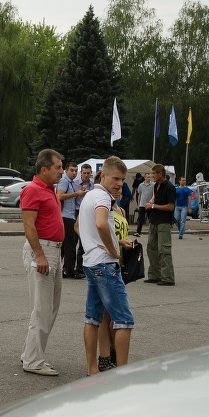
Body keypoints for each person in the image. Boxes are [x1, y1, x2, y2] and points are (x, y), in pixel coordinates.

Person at [78, 156, 135, 376]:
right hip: (105, 265)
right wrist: (112, 249)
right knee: (124, 320)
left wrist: (114, 241)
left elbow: (83, 227)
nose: (120, 184)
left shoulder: (90, 195)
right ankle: (122, 374)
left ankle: (92, 368)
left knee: (92, 318)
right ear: (103, 176)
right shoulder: (103, 196)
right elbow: (101, 224)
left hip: (91, 263)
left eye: (123, 180)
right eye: (116, 178)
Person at [20, 149, 65, 376]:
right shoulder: (33, 190)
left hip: (53, 251)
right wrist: (39, 255)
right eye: (58, 167)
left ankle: (30, 353)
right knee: (42, 310)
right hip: (43, 250)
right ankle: (33, 361)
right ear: (44, 169)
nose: (61, 171)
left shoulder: (50, 189)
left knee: (49, 308)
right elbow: (29, 225)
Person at [144, 164, 176, 286]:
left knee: (164, 249)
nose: (152, 176)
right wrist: (151, 203)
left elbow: (170, 207)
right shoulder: (156, 186)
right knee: (151, 248)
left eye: (154, 174)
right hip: (154, 220)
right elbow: (155, 200)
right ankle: (155, 275)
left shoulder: (169, 187)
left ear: (160, 174)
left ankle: (168, 277)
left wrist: (153, 206)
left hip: (164, 221)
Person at [57, 162, 87, 279]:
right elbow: (60, 195)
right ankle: (69, 270)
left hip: (69, 216)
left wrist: (78, 192)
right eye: (71, 170)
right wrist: (76, 193)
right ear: (66, 171)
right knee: (70, 245)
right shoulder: (64, 181)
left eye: (75, 171)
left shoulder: (70, 183)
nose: (74, 173)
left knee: (65, 245)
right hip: (66, 216)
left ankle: (61, 269)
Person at [72, 164, 94, 275]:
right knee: (73, 241)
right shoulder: (75, 184)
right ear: (81, 173)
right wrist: (78, 193)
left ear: (91, 173)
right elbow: (70, 199)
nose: (86, 175)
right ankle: (69, 268)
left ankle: (80, 268)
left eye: (88, 173)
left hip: (87, 214)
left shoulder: (93, 186)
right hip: (76, 211)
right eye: (84, 173)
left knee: (83, 242)